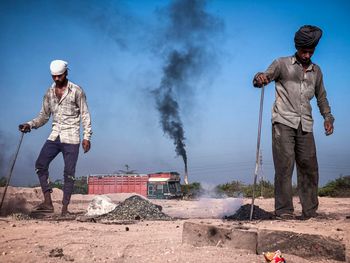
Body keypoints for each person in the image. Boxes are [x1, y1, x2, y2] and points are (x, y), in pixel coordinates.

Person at [253, 25, 334, 219]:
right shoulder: (282, 64)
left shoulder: (317, 71)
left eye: (310, 51)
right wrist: (260, 78)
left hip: (305, 123)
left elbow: (321, 98)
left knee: (309, 167)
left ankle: (310, 211)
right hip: (283, 121)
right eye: (303, 51)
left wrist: (328, 117)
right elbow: (261, 78)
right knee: (284, 166)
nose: (306, 55)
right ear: (297, 47)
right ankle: (284, 211)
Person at [19, 60, 92, 216]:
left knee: (69, 173)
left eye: (59, 76)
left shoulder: (77, 91)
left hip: (71, 137)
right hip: (55, 135)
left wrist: (87, 137)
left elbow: (85, 114)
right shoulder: (49, 92)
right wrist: (30, 124)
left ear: (66, 73)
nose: (57, 79)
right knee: (40, 164)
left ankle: (65, 209)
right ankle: (48, 202)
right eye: (54, 76)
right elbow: (43, 116)